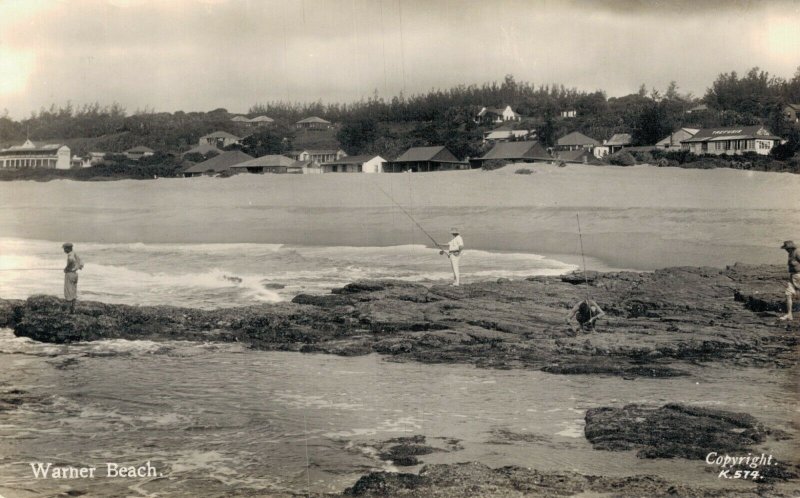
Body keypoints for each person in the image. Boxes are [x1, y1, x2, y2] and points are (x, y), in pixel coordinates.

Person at [779, 240, 800, 321]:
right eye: (785, 248)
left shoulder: (797, 253)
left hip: (798, 276)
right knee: (788, 293)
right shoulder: (790, 254)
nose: (786, 250)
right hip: (793, 276)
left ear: (791, 248)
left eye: (787, 248)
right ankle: (789, 314)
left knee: (797, 294)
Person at [62, 243, 83, 314]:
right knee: (73, 292)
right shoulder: (75, 254)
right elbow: (81, 264)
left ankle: (68, 311)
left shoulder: (70, 255)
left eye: (64, 249)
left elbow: (70, 260)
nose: (64, 250)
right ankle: (73, 310)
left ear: (67, 248)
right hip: (75, 274)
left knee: (68, 292)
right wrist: (77, 267)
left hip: (70, 274)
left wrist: (66, 268)